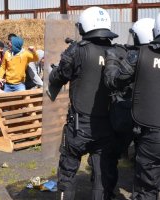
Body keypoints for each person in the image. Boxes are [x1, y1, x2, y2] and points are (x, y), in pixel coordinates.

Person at [105, 8, 160, 200]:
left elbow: (114, 81)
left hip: (151, 137)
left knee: (146, 191)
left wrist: (111, 59)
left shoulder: (140, 55)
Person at [48, 6, 118, 200]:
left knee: (68, 171)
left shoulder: (77, 50)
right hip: (106, 123)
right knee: (102, 173)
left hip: (79, 126)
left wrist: (53, 70)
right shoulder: (116, 50)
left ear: (84, 26)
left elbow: (59, 76)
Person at [103, 18, 155, 198]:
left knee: (110, 154)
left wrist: (111, 60)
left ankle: (106, 192)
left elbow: (113, 80)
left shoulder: (136, 56)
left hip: (129, 116)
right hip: (153, 119)